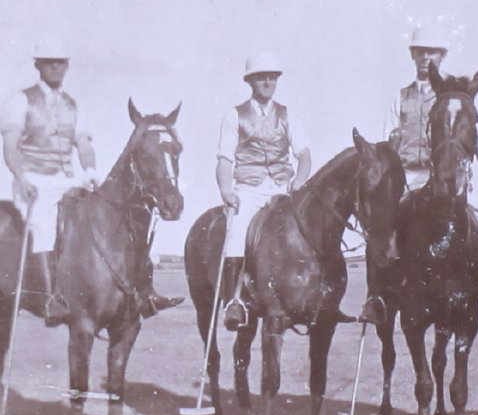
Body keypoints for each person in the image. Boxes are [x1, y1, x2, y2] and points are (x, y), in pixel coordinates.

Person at [0, 36, 181, 326]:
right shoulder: (20, 100)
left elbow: (84, 145)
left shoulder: (74, 105)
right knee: (45, 224)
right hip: (33, 180)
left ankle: (144, 291)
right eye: (49, 62)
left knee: (117, 216)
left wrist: (89, 171)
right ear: (39, 65)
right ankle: (52, 298)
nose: (55, 68)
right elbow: (10, 147)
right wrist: (21, 178)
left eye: (60, 63)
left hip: (66, 180)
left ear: (66, 66)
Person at [360, 26, 478, 324]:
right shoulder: (400, 96)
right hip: (408, 176)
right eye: (420, 52)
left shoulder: (454, 93)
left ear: (443, 55)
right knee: (382, 228)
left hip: (449, 177)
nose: (425, 57)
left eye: (431, 52)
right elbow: (386, 140)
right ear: (412, 55)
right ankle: (375, 299)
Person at [216, 51, 354, 330]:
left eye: (272, 77)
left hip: (282, 187)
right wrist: (226, 190)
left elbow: (303, 154)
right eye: (261, 78)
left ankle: (324, 298)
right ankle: (234, 301)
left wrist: (300, 179)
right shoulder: (234, 115)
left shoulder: (287, 115)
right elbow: (224, 160)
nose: (268, 82)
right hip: (250, 188)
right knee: (237, 232)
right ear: (251, 81)